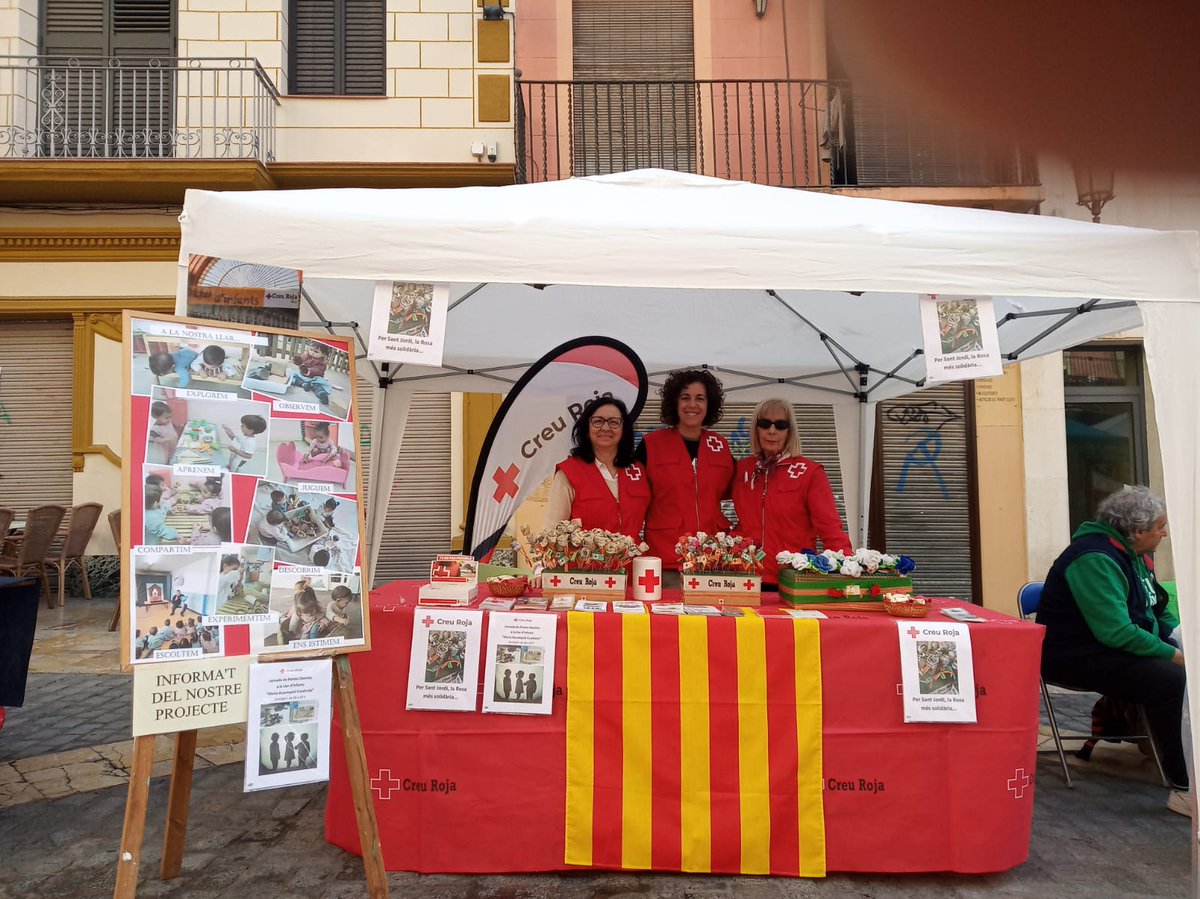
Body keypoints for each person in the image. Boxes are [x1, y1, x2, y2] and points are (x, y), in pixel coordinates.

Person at [1037, 486, 1188, 814]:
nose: (1164, 533)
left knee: (1175, 663)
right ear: (1137, 531)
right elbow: (1116, 632)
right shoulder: (1094, 558)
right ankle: (1183, 783)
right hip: (1073, 656)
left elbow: (1155, 607)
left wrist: (1178, 638)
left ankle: (1171, 749)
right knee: (1170, 677)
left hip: (1109, 648)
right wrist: (1175, 656)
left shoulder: (1137, 555)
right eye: (1159, 527)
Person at [731, 398, 852, 585]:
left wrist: (846, 573)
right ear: (756, 429)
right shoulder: (742, 469)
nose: (772, 431)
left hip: (792, 579)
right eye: (764, 424)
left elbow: (830, 529)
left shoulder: (810, 472)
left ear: (790, 431)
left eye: (780, 425)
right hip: (744, 578)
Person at [634, 369, 735, 579]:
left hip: (712, 559)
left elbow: (738, 491)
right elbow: (633, 498)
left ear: (709, 404)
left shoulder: (720, 445)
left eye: (700, 398)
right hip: (665, 558)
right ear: (675, 402)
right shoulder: (651, 444)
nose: (692, 405)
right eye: (685, 397)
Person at [541, 395, 650, 541]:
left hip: (633, 562)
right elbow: (552, 533)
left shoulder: (639, 471)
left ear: (624, 431)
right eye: (598, 421)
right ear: (587, 429)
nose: (605, 428)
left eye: (614, 422)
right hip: (584, 563)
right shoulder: (569, 473)